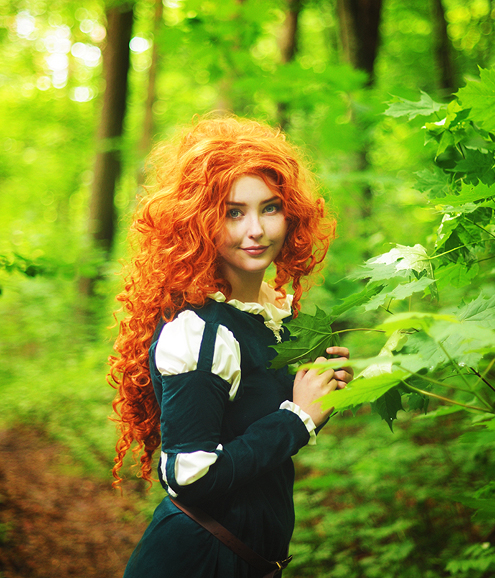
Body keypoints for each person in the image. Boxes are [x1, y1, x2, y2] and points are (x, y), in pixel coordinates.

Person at [109, 117, 353, 578]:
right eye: (233, 212)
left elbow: (258, 422)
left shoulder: (269, 313)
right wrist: (298, 419)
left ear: (292, 214)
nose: (255, 229)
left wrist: (319, 393)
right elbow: (189, 476)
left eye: (270, 208)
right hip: (193, 564)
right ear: (199, 222)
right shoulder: (199, 333)